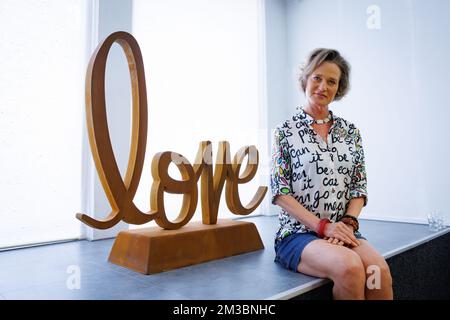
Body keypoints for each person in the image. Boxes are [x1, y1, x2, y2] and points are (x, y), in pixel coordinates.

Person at [270, 48, 393, 300]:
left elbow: (358, 188)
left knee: (377, 271)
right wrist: (323, 227)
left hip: (343, 230)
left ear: (339, 87)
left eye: (331, 81)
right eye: (317, 77)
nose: (322, 86)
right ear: (305, 79)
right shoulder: (284, 131)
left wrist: (346, 224)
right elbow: (280, 193)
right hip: (298, 234)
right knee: (350, 268)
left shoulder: (351, 132)